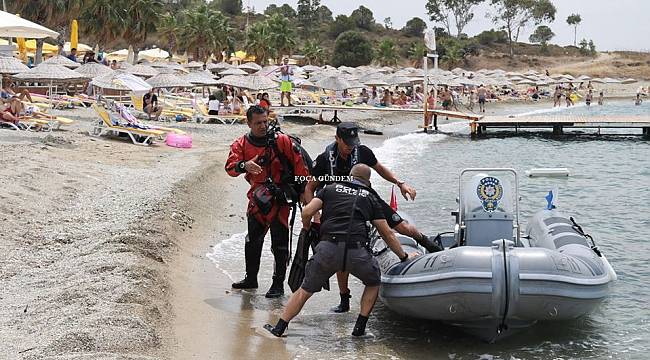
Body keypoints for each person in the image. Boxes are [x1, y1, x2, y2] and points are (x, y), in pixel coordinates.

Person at [263, 164, 417, 338]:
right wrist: (403, 256)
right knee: (373, 282)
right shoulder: (370, 197)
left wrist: (307, 227)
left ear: (350, 175)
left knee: (304, 290)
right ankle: (359, 328)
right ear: (367, 181)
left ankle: (280, 328)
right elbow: (387, 233)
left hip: (328, 249)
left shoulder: (330, 189)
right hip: (357, 252)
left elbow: (307, 211)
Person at [304, 122, 442, 313]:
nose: (351, 146)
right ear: (337, 139)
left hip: (364, 196)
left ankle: (431, 246)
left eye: (353, 142)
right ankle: (344, 299)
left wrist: (400, 183)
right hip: (337, 206)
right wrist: (316, 216)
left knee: (401, 227)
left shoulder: (362, 152)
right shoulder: (324, 160)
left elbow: (380, 169)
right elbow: (309, 188)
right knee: (341, 250)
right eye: (347, 143)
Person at [225, 106, 310, 298]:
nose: (263, 126)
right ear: (248, 123)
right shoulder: (241, 144)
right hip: (258, 199)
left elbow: (300, 167)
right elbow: (230, 168)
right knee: (252, 241)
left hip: (280, 199)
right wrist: (243, 165)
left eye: (265, 121)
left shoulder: (282, 141)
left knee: (280, 244)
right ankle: (251, 278)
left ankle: (278, 284)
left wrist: (304, 191)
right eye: (258, 123)